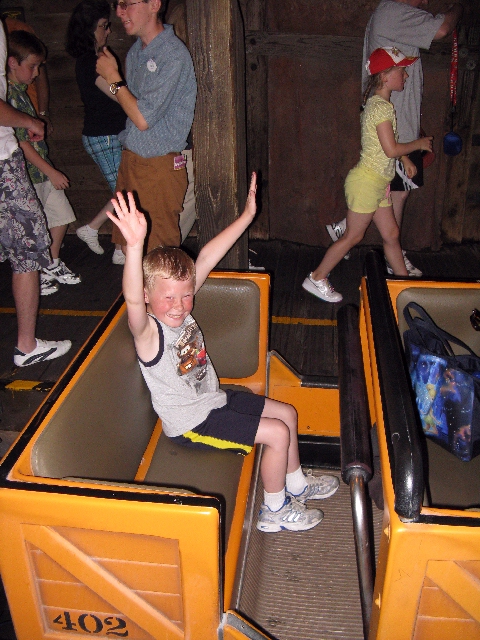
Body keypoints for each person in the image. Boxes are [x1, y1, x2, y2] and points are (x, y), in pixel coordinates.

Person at [107, 173, 340, 533]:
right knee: (276, 434)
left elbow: (208, 255)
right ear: (151, 297)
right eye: (167, 297)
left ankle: (297, 484)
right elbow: (133, 298)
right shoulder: (149, 332)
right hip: (191, 424)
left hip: (213, 400)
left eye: (186, 295)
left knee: (287, 415)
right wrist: (134, 246)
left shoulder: (179, 306)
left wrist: (246, 218)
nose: (179, 305)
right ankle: (273, 510)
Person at [326, 0, 463, 276]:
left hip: (400, 128)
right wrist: (460, 8)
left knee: (392, 190)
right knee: (396, 194)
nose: (424, 2)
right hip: (396, 131)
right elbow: (443, 28)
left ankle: (350, 228)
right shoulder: (393, 12)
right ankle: (381, 252)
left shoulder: (389, 14)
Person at [303, 48, 433, 303]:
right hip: (366, 183)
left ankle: (403, 287)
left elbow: (385, 145)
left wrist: (403, 158)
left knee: (391, 234)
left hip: (378, 183)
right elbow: (390, 148)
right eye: (402, 71)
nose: (406, 75)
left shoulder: (380, 104)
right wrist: (416, 146)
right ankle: (317, 277)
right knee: (354, 236)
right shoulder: (381, 108)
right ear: (385, 76)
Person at [96, 0, 196, 253]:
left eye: (126, 4)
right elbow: (133, 109)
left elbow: (143, 119)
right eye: (117, 5)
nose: (119, 12)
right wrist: (114, 82)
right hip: (132, 161)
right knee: (131, 248)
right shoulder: (136, 52)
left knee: (158, 256)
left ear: (154, 4)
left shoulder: (172, 54)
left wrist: (114, 79)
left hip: (158, 166)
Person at [0, 22, 71, 366]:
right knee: (29, 245)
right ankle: (26, 347)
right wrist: (29, 122)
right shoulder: (11, 92)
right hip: (5, 165)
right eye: (32, 66)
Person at [7, 30, 81, 296]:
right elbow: (20, 144)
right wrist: (50, 171)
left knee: (61, 216)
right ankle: (36, 273)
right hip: (30, 174)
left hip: (42, 171)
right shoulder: (9, 96)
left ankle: (51, 262)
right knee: (35, 226)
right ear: (12, 62)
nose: (36, 73)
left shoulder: (22, 92)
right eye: (32, 66)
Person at [65, 0, 127, 265]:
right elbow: (115, 94)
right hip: (104, 136)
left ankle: (93, 230)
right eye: (103, 26)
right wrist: (128, 91)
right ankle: (119, 248)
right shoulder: (91, 61)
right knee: (125, 194)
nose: (108, 31)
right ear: (89, 30)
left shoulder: (96, 58)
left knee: (124, 191)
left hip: (110, 133)